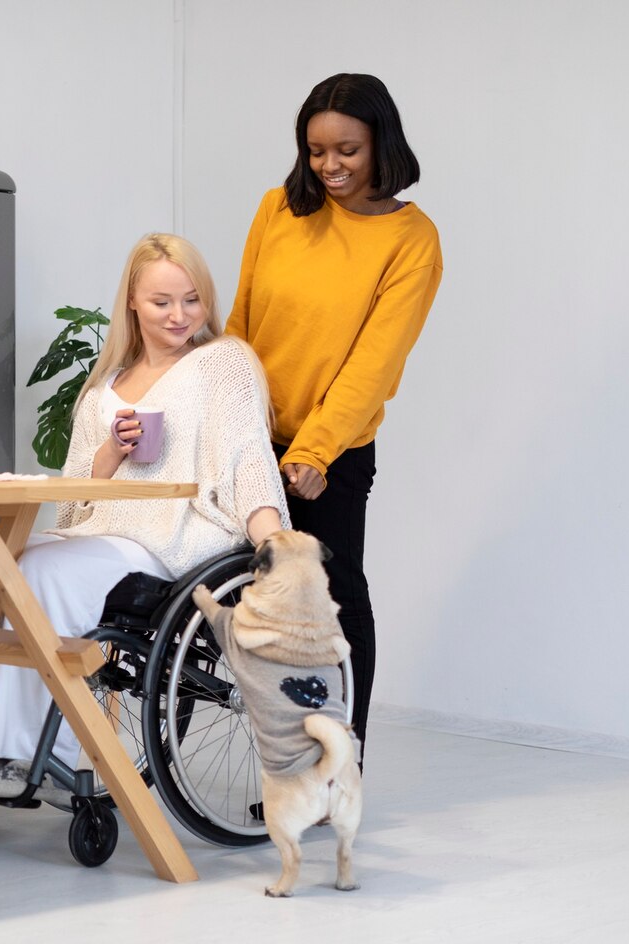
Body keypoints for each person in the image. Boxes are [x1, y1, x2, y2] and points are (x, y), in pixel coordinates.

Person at [0, 233, 288, 801]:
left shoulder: (222, 361)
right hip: (102, 533)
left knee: (45, 574)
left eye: (192, 300)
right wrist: (111, 453)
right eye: (162, 302)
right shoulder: (104, 388)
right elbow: (75, 504)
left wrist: (274, 542)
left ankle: (25, 756)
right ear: (131, 300)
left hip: (177, 536)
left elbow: (247, 454)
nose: (180, 315)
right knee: (3, 569)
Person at [225, 73, 443, 765]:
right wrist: (221, 410)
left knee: (334, 599)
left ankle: (337, 758)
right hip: (250, 433)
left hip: (332, 451)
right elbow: (241, 321)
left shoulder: (411, 240)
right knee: (236, 590)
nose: (330, 166)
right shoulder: (276, 211)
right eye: (316, 150)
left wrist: (314, 452)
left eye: (346, 149)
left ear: (382, 142)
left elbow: (374, 363)